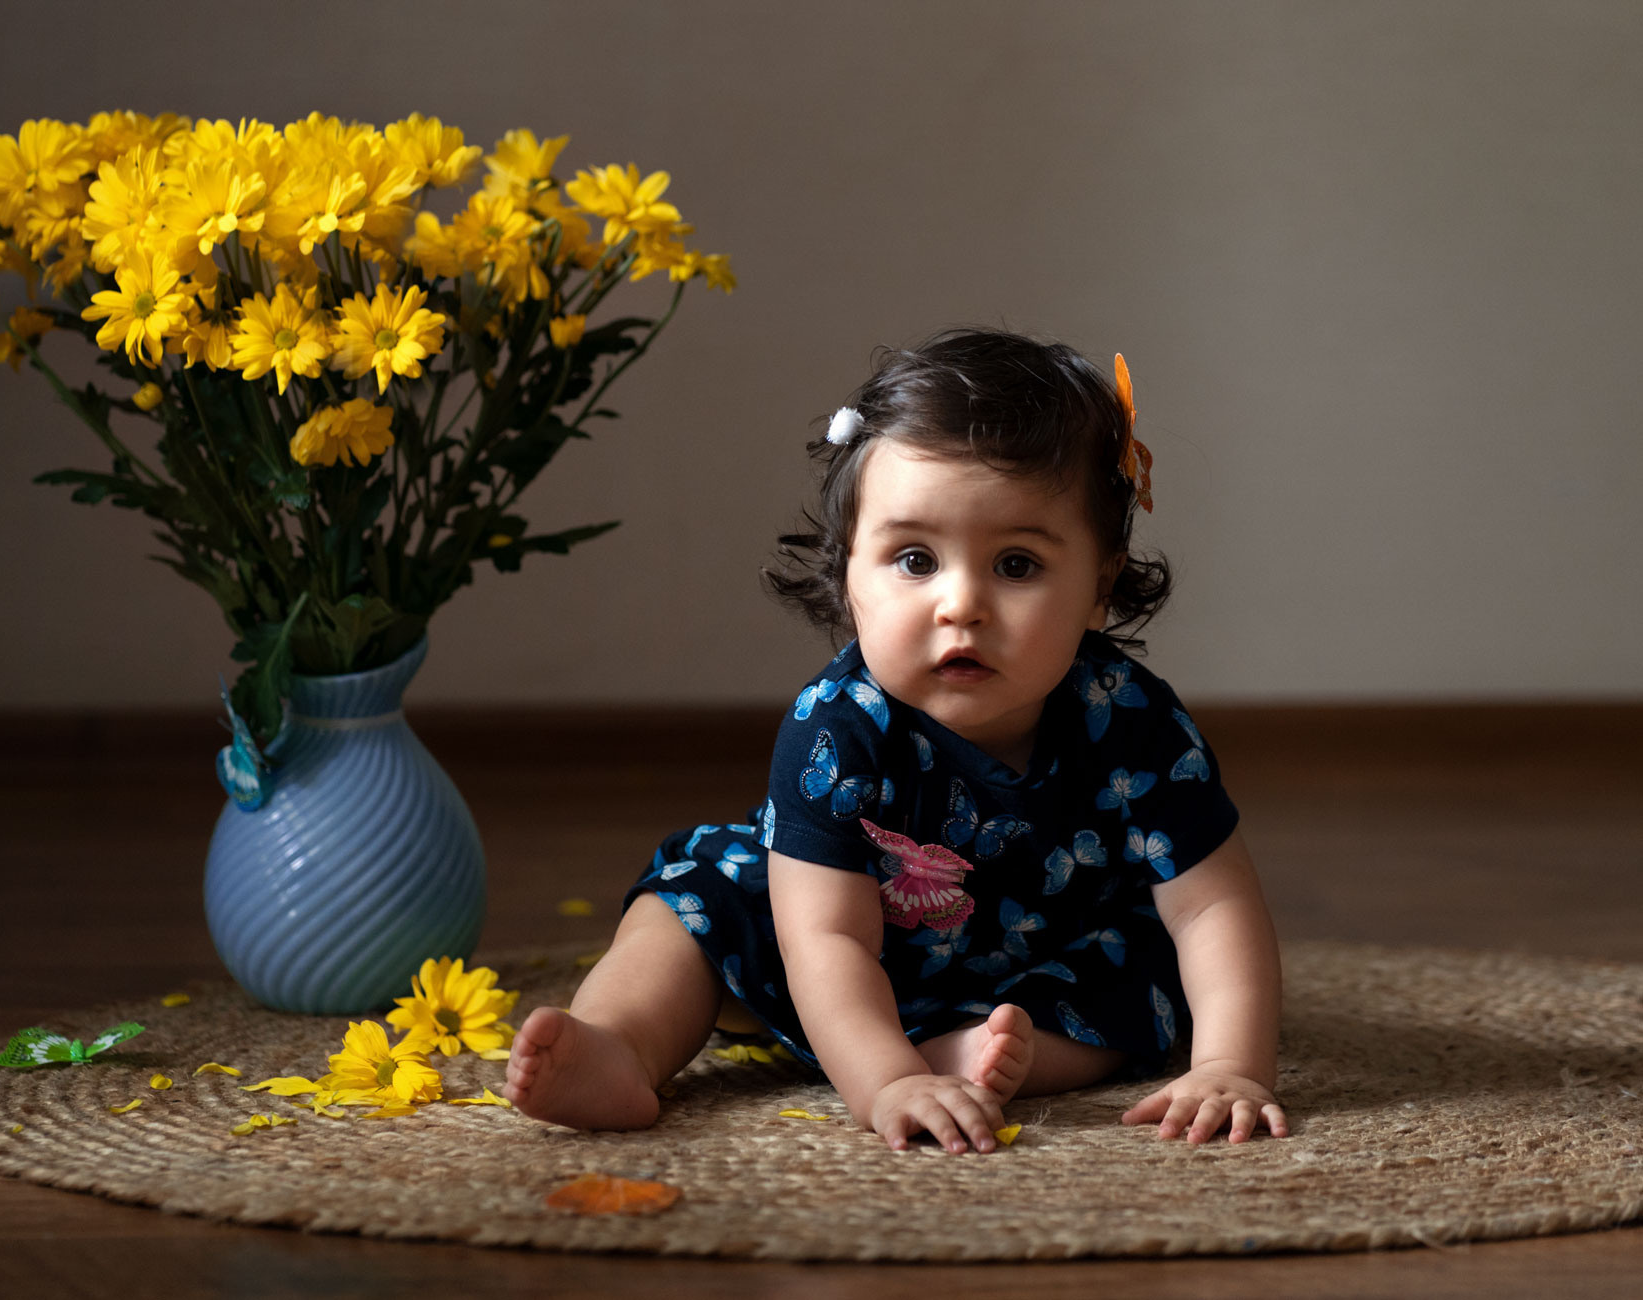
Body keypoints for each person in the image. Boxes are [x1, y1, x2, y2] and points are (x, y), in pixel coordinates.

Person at [503, 328, 1288, 1153]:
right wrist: (886, 1084)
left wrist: (1232, 1063)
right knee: (689, 906)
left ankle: (971, 1057)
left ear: (1099, 586)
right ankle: (622, 1044)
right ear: (849, 575)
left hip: (1044, 960)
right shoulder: (837, 729)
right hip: (830, 952)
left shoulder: (1131, 717)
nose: (962, 603)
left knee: (1141, 978)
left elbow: (1210, 904)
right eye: (915, 559)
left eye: (1016, 565)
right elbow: (827, 938)